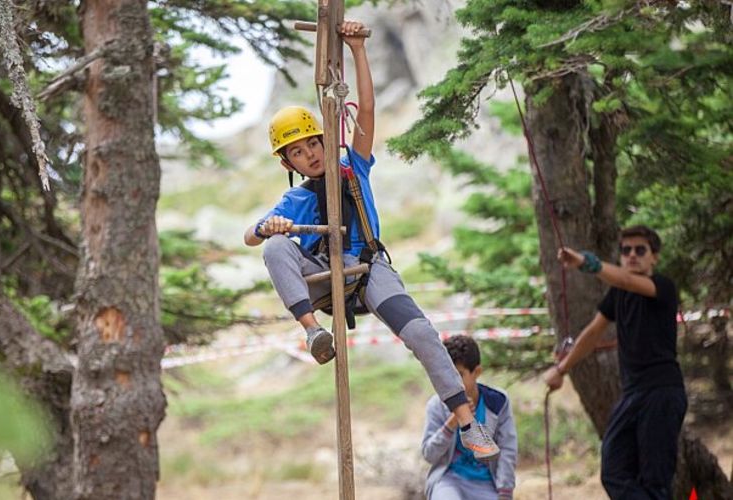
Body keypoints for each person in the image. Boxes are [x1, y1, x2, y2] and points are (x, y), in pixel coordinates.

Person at [243, 20, 499, 461]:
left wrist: (358, 50)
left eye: (313, 144)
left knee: (422, 334)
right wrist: (268, 227)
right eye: (298, 152)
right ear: (288, 162)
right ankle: (312, 332)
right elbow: (249, 237)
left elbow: (367, 115)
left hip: (369, 267)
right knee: (273, 247)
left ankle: (466, 420)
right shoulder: (294, 200)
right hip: (324, 276)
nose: (311, 155)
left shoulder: (352, 168)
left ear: (325, 139)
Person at [543, 225, 687, 499]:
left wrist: (587, 262)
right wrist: (561, 369)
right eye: (626, 250)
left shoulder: (663, 287)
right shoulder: (618, 294)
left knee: (655, 481)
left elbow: (628, 281)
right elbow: (592, 333)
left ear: (654, 257)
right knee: (614, 472)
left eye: (640, 250)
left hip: (661, 392)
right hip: (632, 394)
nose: (632, 255)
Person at [421, 335, 517, 500]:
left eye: (459, 375)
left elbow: (508, 450)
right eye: (447, 375)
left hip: (486, 483)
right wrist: (451, 424)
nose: (452, 383)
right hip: (449, 480)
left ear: (477, 372)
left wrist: (505, 492)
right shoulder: (437, 405)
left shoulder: (498, 402)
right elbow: (429, 454)